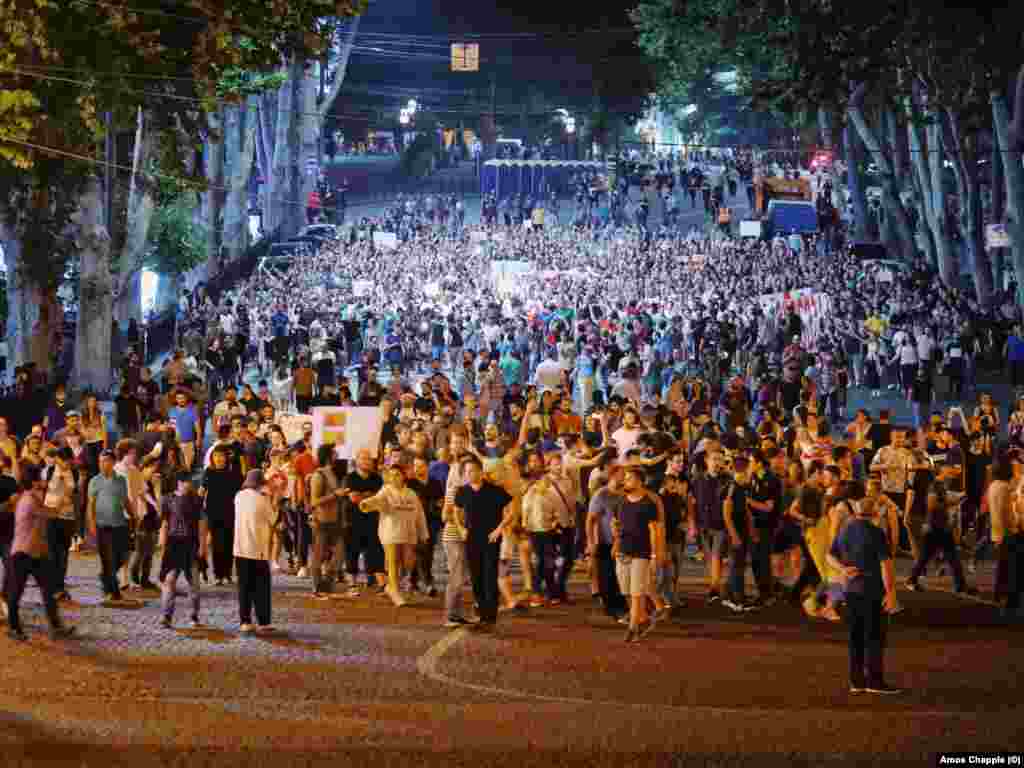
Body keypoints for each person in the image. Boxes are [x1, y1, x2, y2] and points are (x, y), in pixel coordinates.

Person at [827, 488, 903, 695]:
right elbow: (885, 565)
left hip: (851, 591)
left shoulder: (846, 530)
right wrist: (891, 593)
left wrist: (843, 569)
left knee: (855, 637)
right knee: (875, 637)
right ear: (875, 513)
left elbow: (830, 555)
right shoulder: (876, 533)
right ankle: (875, 681)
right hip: (872, 590)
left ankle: (856, 681)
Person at [5, 464, 76, 642]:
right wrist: (63, 499)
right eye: (41, 478)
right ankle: (14, 628)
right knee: (16, 593)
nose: (44, 481)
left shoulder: (30, 497)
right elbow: (50, 513)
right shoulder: (29, 499)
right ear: (35, 481)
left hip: (35, 554)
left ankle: (56, 626)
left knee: (47, 590)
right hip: (23, 553)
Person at [453, 454, 513, 633]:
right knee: (476, 577)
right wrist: (461, 528)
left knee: (489, 576)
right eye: (468, 471)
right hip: (471, 538)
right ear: (464, 474)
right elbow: (455, 511)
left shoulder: (494, 490)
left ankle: (490, 616)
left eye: (474, 470)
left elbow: (512, 509)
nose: (471, 473)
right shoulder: (462, 492)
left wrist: (499, 529)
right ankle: (481, 612)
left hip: (491, 539)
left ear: (481, 471)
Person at [612, 465, 659, 642]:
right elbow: (615, 522)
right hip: (623, 551)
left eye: (629, 478)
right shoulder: (621, 502)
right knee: (625, 590)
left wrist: (654, 555)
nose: (625, 481)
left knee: (636, 592)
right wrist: (616, 539)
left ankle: (633, 627)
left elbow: (654, 530)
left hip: (641, 552)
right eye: (625, 478)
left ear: (640, 482)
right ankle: (643, 618)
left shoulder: (648, 504)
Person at [158, 472, 208, 629]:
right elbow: (165, 523)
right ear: (179, 483)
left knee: (193, 582)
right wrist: (163, 544)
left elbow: (202, 524)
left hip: (191, 544)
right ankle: (166, 615)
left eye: (190, 482)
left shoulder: (196, 500)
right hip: (173, 545)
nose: (189, 485)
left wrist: (203, 546)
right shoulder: (167, 499)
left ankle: (194, 616)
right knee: (169, 581)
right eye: (186, 482)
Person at [234, 469, 277, 634]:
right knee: (261, 587)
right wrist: (275, 497)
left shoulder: (238, 496)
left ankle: (245, 621)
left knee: (244, 586)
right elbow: (273, 519)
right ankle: (264, 621)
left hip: (240, 548)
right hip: (258, 549)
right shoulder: (262, 500)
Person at [87, 448, 132, 604]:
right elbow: (90, 505)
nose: (102, 464)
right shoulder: (94, 481)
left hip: (119, 524)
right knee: (108, 559)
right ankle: (112, 592)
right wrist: (92, 524)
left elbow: (125, 500)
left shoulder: (121, 480)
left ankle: (106, 577)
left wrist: (133, 515)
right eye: (100, 461)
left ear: (113, 462)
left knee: (121, 556)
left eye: (106, 461)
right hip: (102, 526)